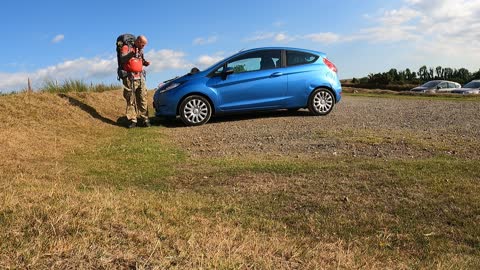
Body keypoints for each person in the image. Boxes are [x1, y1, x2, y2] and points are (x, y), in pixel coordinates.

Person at [120, 35, 151, 128]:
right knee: (131, 99)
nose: (143, 47)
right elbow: (122, 59)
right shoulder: (126, 48)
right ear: (137, 41)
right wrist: (132, 53)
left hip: (140, 76)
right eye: (142, 44)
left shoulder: (140, 51)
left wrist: (145, 63)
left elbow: (140, 60)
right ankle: (132, 120)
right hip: (130, 77)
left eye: (144, 45)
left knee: (143, 98)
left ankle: (145, 119)